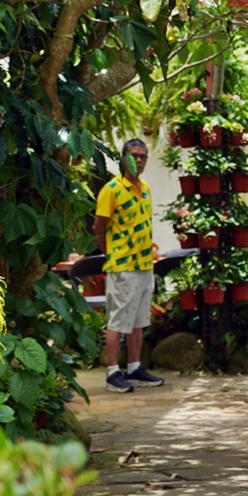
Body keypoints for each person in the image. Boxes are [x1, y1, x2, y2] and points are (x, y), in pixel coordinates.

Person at [94, 138, 165, 393]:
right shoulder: (111, 189)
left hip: (145, 265)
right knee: (117, 321)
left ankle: (134, 367)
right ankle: (113, 372)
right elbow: (99, 227)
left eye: (144, 156)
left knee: (138, 320)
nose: (139, 160)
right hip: (123, 267)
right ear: (124, 157)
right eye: (134, 155)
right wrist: (109, 253)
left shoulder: (145, 188)